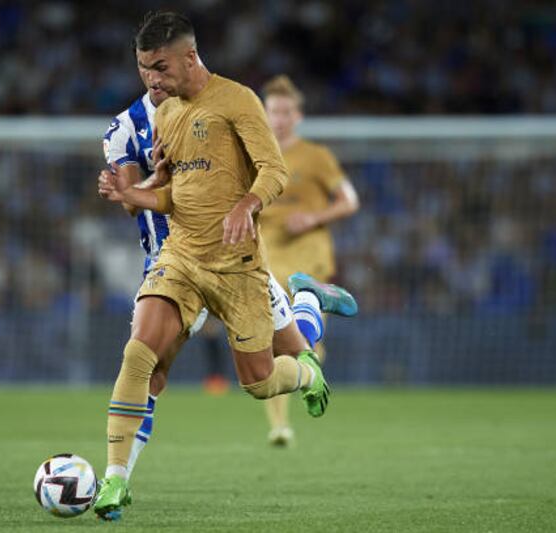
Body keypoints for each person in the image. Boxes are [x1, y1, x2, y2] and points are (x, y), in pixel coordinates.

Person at [92, 11, 355, 521]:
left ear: (189, 56)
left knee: (262, 379)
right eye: (143, 68)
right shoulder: (160, 116)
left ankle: (307, 309)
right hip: (180, 257)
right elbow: (175, 197)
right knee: (139, 357)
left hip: (239, 265)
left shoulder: (237, 100)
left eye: (159, 67)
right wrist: (135, 192)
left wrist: (246, 205)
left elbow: (274, 170)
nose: (151, 79)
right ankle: (114, 480)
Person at [260, 75, 360, 447]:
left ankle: (310, 344)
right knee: (271, 340)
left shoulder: (317, 157)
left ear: (298, 116)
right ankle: (280, 426)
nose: (280, 119)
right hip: (267, 254)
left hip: (308, 256)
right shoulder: (254, 154)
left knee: (286, 336)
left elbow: (349, 201)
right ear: (264, 113)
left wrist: (313, 218)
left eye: (286, 112)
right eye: (273, 111)